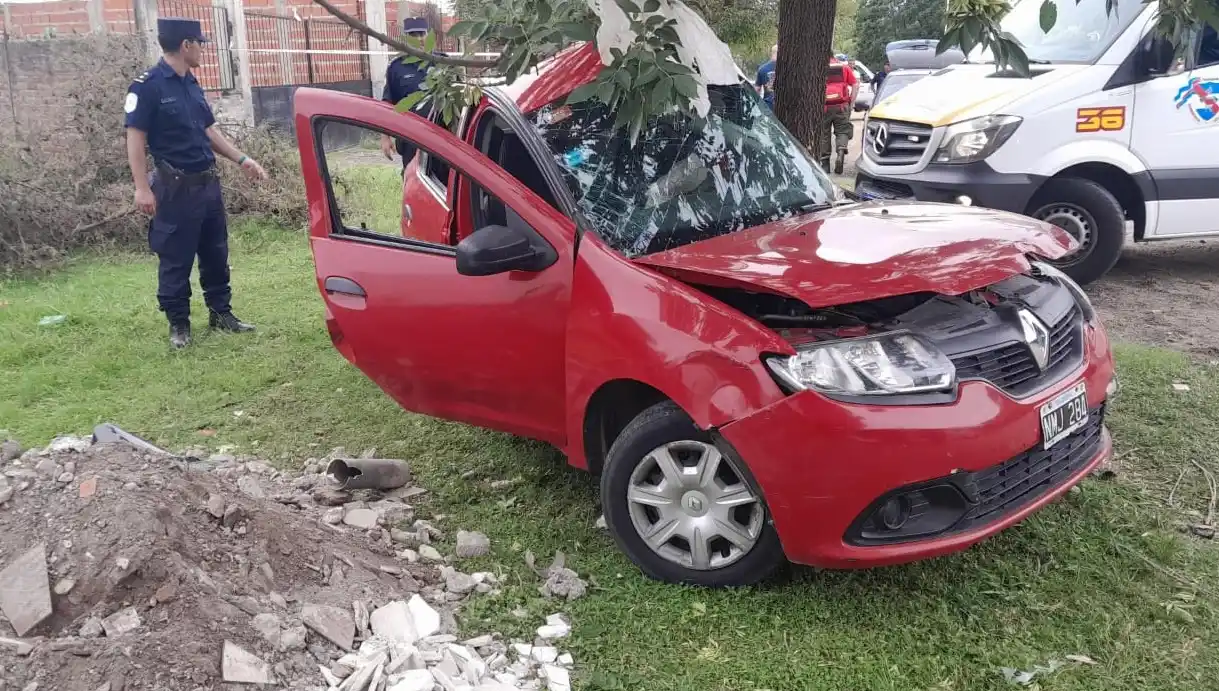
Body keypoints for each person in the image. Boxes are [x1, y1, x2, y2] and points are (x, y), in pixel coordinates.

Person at [125, 17, 267, 350]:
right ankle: (179, 325)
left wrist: (242, 159)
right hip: (174, 188)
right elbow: (135, 138)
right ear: (186, 45)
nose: (204, 48)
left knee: (215, 251)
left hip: (207, 184)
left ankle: (221, 313)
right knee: (176, 257)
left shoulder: (191, 82)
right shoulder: (147, 87)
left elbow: (208, 130)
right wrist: (141, 188)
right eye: (200, 43)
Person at [381, 17, 442, 167]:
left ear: (428, 35)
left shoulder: (444, 63)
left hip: (442, 137)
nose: (419, 39)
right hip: (410, 139)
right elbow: (387, 104)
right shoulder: (396, 67)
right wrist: (385, 137)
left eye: (421, 34)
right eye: (413, 35)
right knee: (413, 178)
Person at [820, 54, 858, 174]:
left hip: (824, 107)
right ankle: (841, 150)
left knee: (824, 133)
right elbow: (855, 84)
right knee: (842, 131)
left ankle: (825, 164)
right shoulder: (844, 68)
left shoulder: (819, 68)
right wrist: (851, 102)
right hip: (842, 106)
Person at [755, 44, 777, 109]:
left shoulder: (762, 69)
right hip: (783, 107)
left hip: (768, 107)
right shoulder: (787, 68)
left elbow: (757, 90)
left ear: (772, 53)